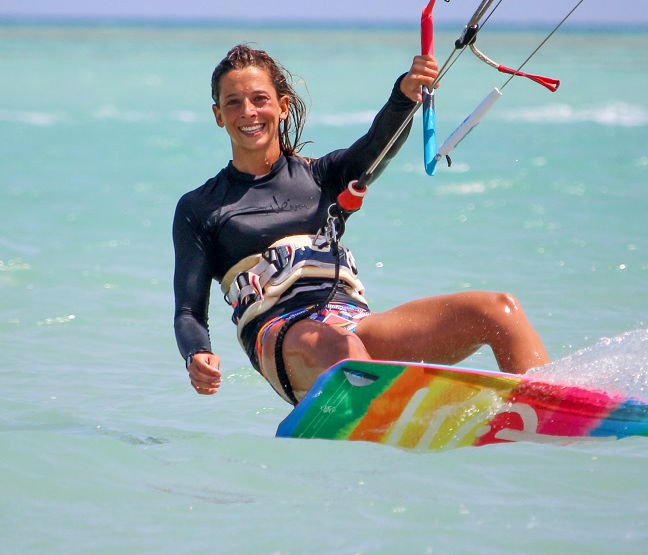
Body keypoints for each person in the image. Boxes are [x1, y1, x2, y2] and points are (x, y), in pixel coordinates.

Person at [173, 44, 550, 405]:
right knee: (342, 348)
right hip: (282, 338)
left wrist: (404, 93)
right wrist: (197, 353)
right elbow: (189, 311)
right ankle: (388, 418)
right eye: (233, 103)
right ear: (218, 115)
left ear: (283, 107)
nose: (248, 112)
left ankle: (549, 408)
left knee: (497, 310)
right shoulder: (201, 207)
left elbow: (375, 148)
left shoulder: (321, 177)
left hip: (351, 321)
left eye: (260, 99)